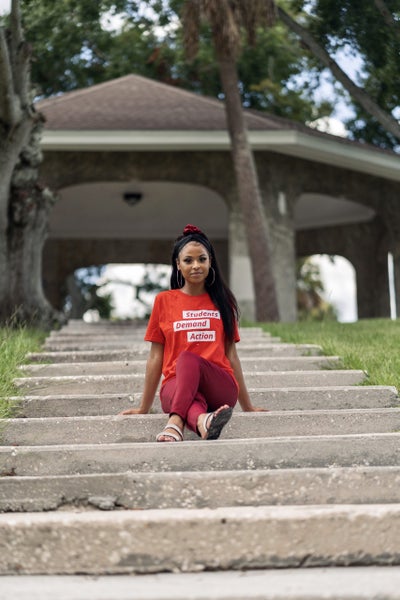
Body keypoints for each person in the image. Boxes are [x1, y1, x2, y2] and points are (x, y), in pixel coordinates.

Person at [121, 224, 264, 441]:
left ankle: (175, 422)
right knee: (184, 385)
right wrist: (144, 406)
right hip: (176, 385)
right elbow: (155, 358)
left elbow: (231, 355)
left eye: (202, 259)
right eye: (188, 260)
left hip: (218, 385)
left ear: (210, 262)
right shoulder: (164, 301)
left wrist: (248, 406)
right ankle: (203, 421)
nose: (196, 265)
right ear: (178, 265)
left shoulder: (222, 302)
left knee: (188, 359)